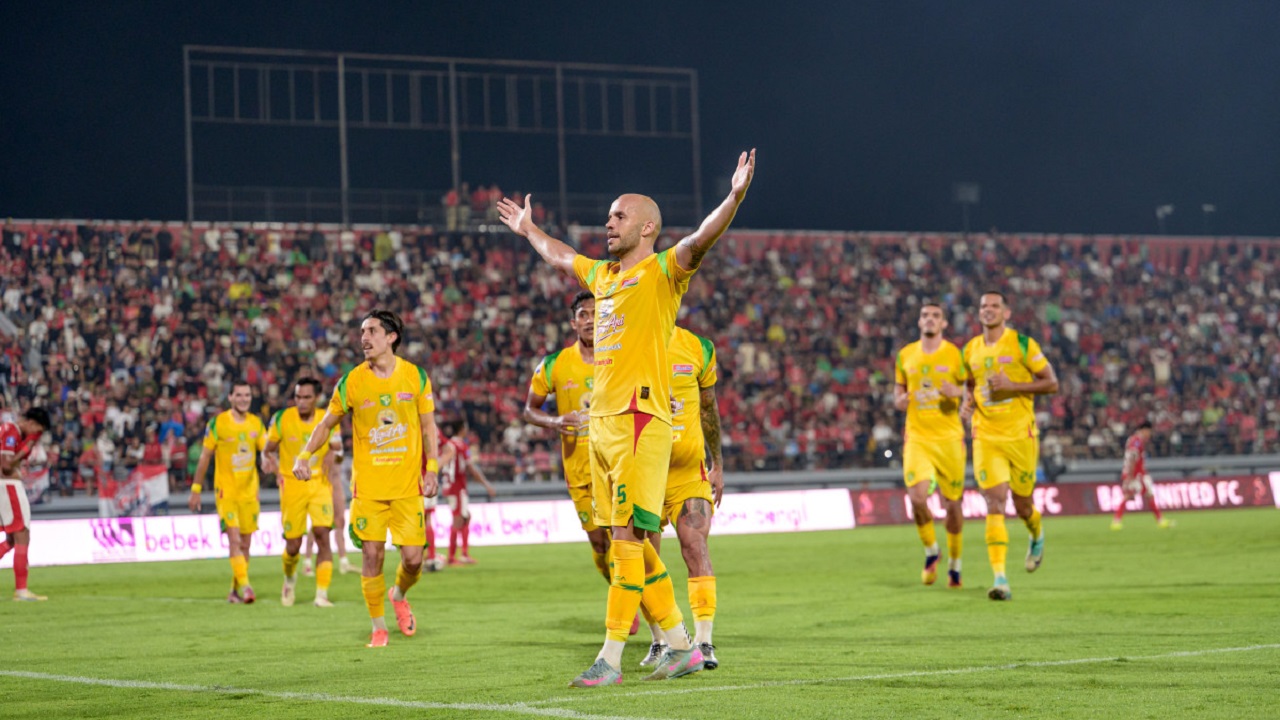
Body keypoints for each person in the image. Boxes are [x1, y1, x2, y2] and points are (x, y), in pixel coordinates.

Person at [498, 148, 756, 686]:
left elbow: (701, 239)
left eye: (618, 216)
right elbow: (562, 257)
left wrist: (733, 198)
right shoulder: (604, 277)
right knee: (632, 543)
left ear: (646, 227)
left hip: (640, 418)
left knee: (626, 541)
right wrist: (528, 230)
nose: (607, 223)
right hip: (603, 425)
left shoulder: (663, 272)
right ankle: (681, 645)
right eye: (608, 216)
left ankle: (611, 657)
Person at [292, 310, 439, 648]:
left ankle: (398, 594)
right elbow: (326, 424)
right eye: (362, 331)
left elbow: (429, 426)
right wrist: (304, 454)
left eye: (372, 331)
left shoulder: (415, 377)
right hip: (369, 490)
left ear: (391, 337)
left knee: (414, 560)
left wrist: (431, 468)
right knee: (372, 556)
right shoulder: (352, 382)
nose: (364, 338)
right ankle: (378, 627)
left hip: (407, 488)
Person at [961, 291, 1059, 602]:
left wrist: (1013, 387)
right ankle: (1000, 579)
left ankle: (1036, 533)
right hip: (986, 436)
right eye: (984, 306)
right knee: (995, 502)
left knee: (1023, 505)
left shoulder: (1023, 345)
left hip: (1020, 436)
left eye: (994, 306)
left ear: (1006, 313)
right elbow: (969, 384)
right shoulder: (970, 349)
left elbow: (1051, 383)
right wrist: (966, 403)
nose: (988, 310)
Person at [638, 326, 726, 671]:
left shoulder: (698, 348)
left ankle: (704, 642)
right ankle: (661, 639)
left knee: (695, 546)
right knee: (644, 560)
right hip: (643, 472)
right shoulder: (629, 343)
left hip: (688, 473)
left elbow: (708, 408)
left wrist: (718, 464)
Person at [522, 292, 610, 582]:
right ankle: (617, 587)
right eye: (583, 315)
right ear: (574, 323)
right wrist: (555, 421)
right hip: (579, 470)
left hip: (616, 466)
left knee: (623, 540)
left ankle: (628, 597)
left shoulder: (619, 358)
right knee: (599, 544)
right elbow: (529, 410)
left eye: (595, 313)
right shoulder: (555, 364)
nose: (590, 320)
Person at [893, 303, 968, 589]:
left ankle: (955, 566)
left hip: (949, 440)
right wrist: (900, 400)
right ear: (919, 321)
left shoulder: (955, 354)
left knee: (953, 505)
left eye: (936, 316)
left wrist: (957, 391)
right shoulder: (905, 355)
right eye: (925, 315)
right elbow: (898, 392)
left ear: (944, 323)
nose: (930, 319)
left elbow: (972, 389)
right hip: (918, 438)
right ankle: (931, 551)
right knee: (917, 498)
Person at [262, 377, 342, 608]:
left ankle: (321, 594)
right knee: (293, 545)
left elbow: (339, 452)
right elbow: (267, 450)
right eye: (298, 397)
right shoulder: (282, 418)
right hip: (292, 484)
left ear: (317, 398)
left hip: (319, 483)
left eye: (307, 397)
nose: (301, 401)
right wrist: (269, 462)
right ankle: (289, 579)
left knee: (322, 535)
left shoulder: (328, 418)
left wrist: (333, 455)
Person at [188, 382, 268, 604]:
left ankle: (234, 590)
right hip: (226, 492)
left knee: (245, 545)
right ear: (230, 397)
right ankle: (247, 587)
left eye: (247, 395)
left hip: (250, 492)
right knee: (234, 539)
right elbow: (205, 456)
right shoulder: (218, 424)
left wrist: (269, 460)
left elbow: (266, 450)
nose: (244, 399)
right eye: (239, 395)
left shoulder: (256, 423)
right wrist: (196, 489)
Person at [0, 407, 52, 601]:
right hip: (8, 486)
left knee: (12, 540)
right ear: (31, 422)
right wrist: (26, 448)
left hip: (5, 487)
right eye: (38, 429)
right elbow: (6, 465)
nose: (37, 434)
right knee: (22, 534)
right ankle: (21, 590)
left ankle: (21, 590)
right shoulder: (12, 431)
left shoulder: (10, 430)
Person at [438, 416, 496, 566]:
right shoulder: (461, 446)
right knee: (458, 519)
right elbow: (471, 469)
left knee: (466, 517)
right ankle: (452, 557)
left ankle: (464, 554)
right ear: (463, 429)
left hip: (449, 486)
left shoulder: (448, 444)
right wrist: (486, 485)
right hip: (457, 487)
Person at [1112, 421, 1173, 530]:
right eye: (1149, 432)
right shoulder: (1137, 441)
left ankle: (1160, 520)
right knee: (1130, 495)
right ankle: (1116, 521)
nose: (1149, 434)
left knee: (1147, 495)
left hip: (1138, 473)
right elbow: (1132, 458)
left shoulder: (1134, 439)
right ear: (1144, 430)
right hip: (1136, 474)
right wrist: (1131, 475)